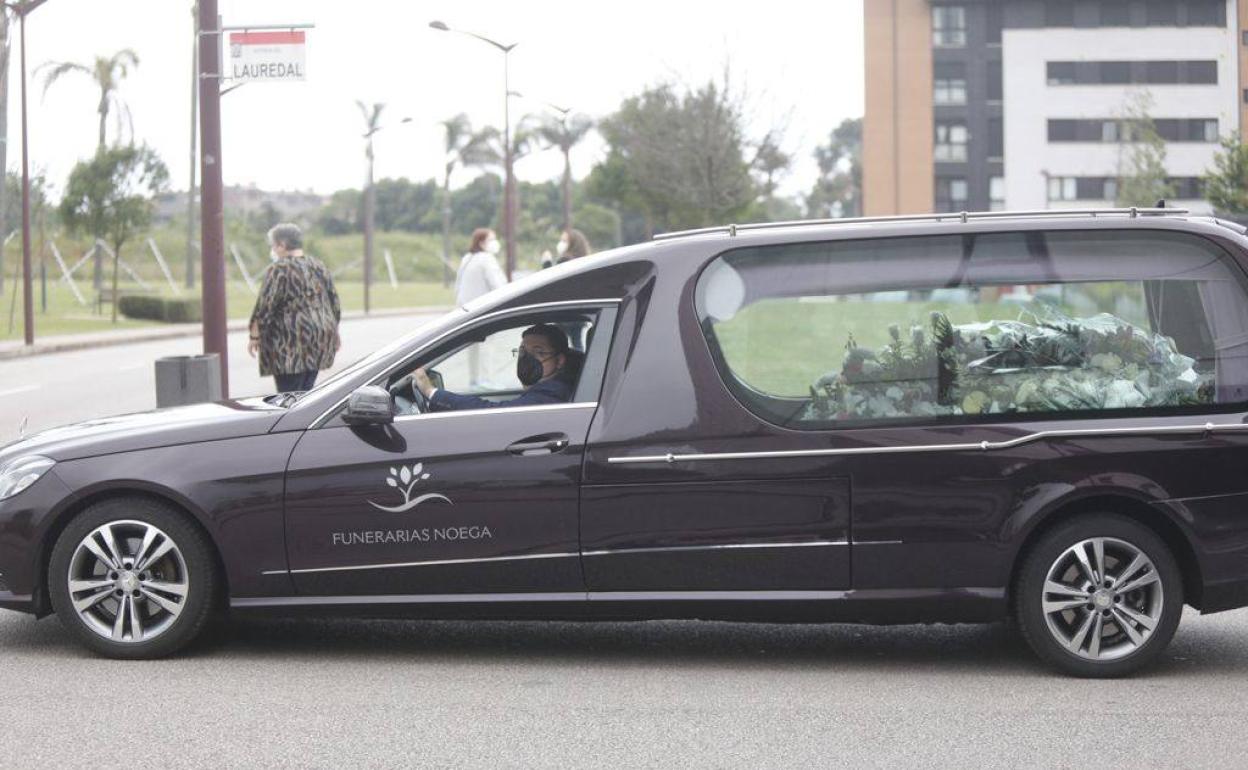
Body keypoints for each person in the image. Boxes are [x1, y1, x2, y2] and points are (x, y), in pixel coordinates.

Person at [248, 223, 341, 393]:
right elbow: (334, 302)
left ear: (282, 245)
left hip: (289, 343)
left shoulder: (279, 269)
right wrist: (334, 331)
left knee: (289, 397)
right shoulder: (318, 265)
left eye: (273, 245)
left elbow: (265, 306)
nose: (273, 250)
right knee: (306, 393)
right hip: (320, 339)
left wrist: (255, 335)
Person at [411, 324, 580, 411]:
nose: (527, 359)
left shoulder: (552, 393)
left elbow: (494, 412)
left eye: (539, 352)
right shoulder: (551, 387)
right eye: (522, 352)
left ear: (559, 361)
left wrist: (430, 391)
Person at [455, 228, 508, 305]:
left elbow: (458, 285)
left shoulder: (467, 258)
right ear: (481, 243)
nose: (495, 243)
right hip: (482, 306)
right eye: (491, 240)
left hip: (464, 306)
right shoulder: (487, 258)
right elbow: (497, 285)